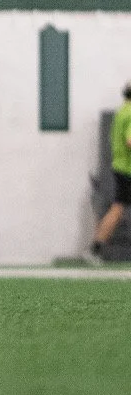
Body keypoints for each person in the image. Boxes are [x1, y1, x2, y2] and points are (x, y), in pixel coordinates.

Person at [86, 82, 131, 265]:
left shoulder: (122, 111)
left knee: (117, 209)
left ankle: (95, 248)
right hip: (128, 169)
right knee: (117, 209)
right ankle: (95, 248)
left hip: (120, 166)